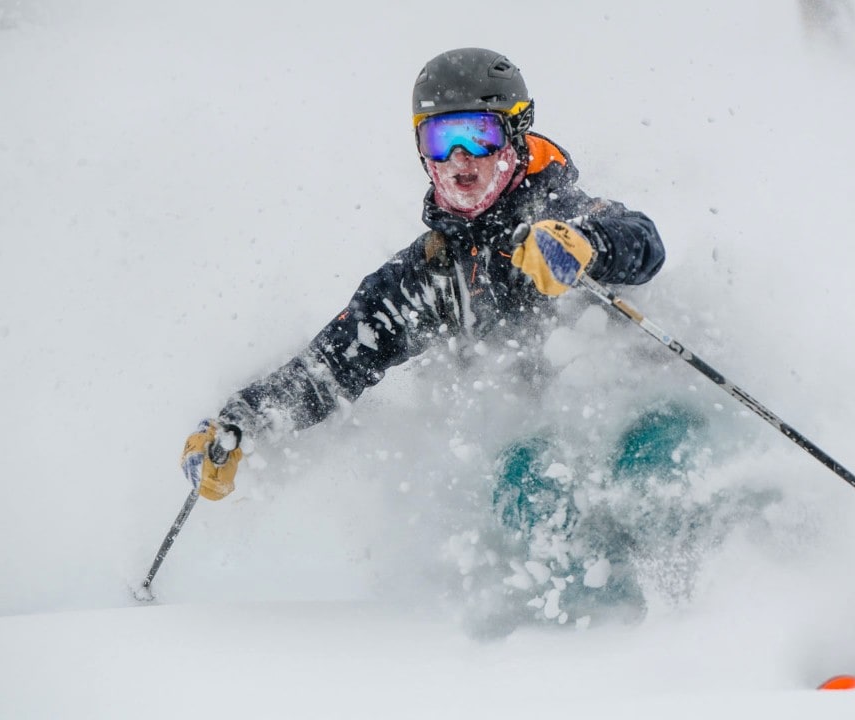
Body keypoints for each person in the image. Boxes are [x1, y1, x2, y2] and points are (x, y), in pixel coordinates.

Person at [180, 48, 666, 504]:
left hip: (626, 411)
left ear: (514, 138)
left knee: (656, 455)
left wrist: (588, 245)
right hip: (535, 444)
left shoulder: (559, 212)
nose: (460, 159)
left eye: (479, 135)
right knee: (529, 481)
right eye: (440, 139)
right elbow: (331, 367)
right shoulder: (427, 275)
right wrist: (239, 425)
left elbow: (642, 243)